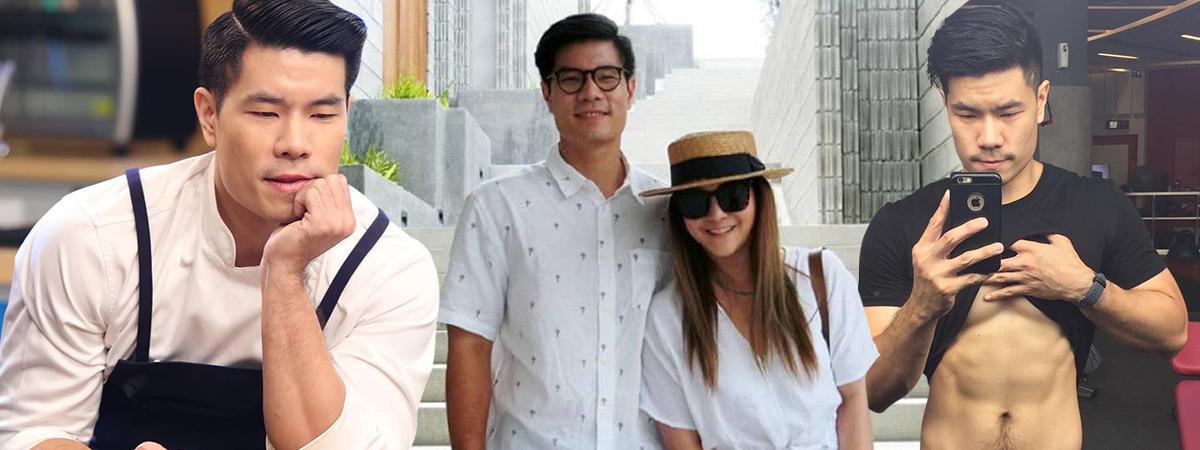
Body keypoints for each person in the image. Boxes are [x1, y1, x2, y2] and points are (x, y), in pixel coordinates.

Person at [0, 1, 439, 449]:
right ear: (209, 115)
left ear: (346, 115)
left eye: (322, 115)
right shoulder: (91, 236)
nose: (295, 144)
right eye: (266, 113)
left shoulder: (388, 269)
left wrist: (285, 273)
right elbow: (34, 432)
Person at [858, 4, 1188, 449]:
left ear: (1041, 99)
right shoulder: (903, 223)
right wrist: (922, 305)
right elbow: (874, 394)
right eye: (967, 114)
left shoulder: (1094, 204)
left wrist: (1085, 288)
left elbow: (1172, 334)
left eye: (1008, 112)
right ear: (945, 104)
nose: (989, 138)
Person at [439, 13, 672, 450]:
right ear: (547, 93)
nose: (591, 92)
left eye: (606, 76)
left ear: (630, 88)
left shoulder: (667, 209)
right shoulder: (497, 207)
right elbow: (469, 344)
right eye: (571, 79)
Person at [638, 131, 876, 450]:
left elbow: (854, 400)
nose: (716, 214)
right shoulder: (667, 318)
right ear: (679, 215)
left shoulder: (820, 276)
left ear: (760, 197)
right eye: (695, 202)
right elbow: (682, 442)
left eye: (733, 196)